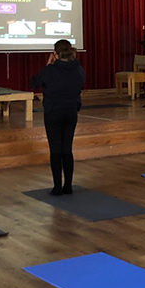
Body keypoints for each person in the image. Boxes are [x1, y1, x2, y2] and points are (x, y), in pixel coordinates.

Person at [30, 40, 85, 196]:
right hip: (71, 111)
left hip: (53, 112)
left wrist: (48, 65)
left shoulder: (50, 71)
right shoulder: (78, 69)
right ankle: (68, 186)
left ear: (55, 54)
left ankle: (57, 187)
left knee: (55, 150)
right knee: (67, 149)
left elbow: (34, 83)